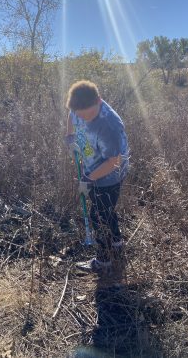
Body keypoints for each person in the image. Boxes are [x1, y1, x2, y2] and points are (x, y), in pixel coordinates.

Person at [65, 80, 129, 274]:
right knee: (106, 209)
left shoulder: (108, 124)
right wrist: (70, 140)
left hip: (110, 175)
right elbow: (71, 117)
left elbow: (113, 162)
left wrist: (88, 179)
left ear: (99, 101)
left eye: (88, 114)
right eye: (80, 114)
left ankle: (103, 261)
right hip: (92, 165)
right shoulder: (77, 109)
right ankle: (116, 243)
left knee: (98, 215)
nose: (84, 118)